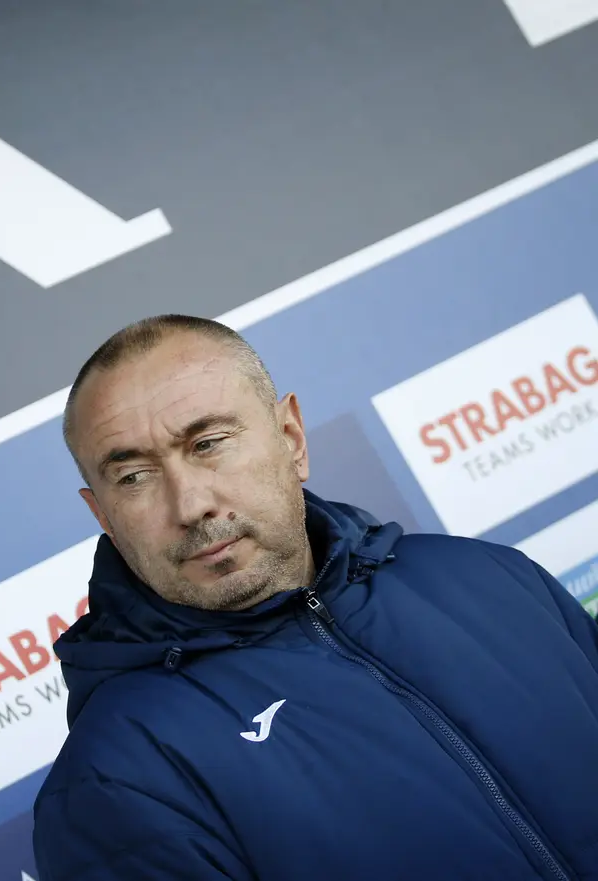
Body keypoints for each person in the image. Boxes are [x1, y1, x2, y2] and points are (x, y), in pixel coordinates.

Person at [31, 315, 598, 881]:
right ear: (102, 515)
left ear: (292, 439)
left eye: (208, 444)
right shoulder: (113, 779)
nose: (191, 505)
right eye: (133, 477)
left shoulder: (491, 576)